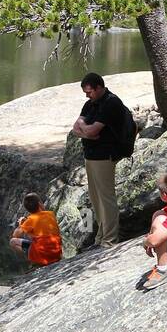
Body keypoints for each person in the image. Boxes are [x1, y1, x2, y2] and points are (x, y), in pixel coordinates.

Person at [71, 72, 124, 249]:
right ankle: (100, 237)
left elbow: (92, 131)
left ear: (99, 87)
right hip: (91, 155)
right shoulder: (90, 104)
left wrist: (86, 131)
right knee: (95, 198)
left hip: (105, 156)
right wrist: (87, 131)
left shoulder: (111, 103)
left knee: (106, 197)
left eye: (89, 92)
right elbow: (75, 129)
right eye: (86, 92)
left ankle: (110, 240)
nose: (87, 95)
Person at [9, 192, 63, 266]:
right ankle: (37, 259)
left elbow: (15, 235)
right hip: (57, 255)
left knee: (12, 242)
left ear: (28, 210)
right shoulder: (51, 214)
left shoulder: (30, 219)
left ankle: (32, 261)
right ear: (40, 204)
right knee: (35, 237)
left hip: (43, 257)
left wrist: (21, 224)